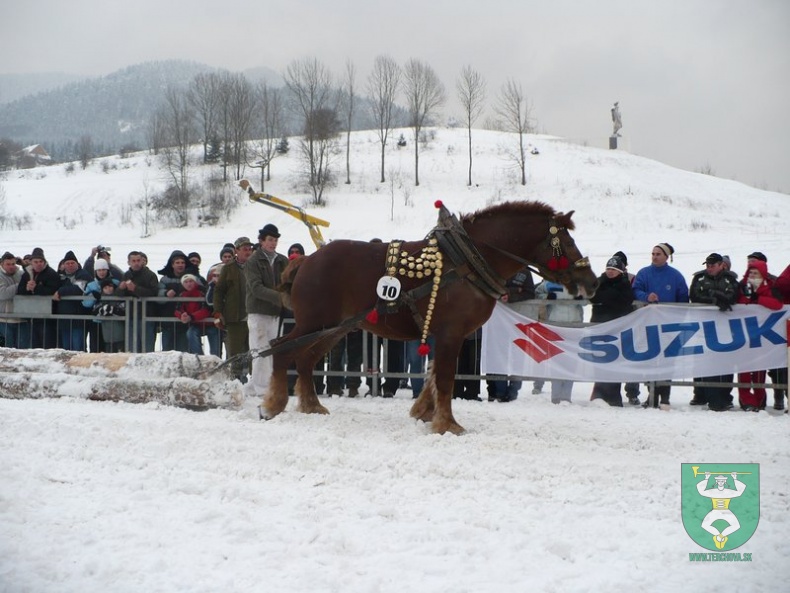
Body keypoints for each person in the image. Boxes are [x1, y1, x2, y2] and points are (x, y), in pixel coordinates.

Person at [632, 242, 689, 409]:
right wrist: (646, 296)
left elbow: (684, 299)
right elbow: (635, 290)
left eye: (658, 254)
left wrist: (677, 318)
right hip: (648, 325)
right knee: (649, 361)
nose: (655, 257)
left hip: (669, 327)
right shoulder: (644, 273)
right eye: (653, 254)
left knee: (667, 362)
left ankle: (664, 397)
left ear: (666, 256)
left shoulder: (676, 276)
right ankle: (651, 396)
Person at [688, 253, 740, 411]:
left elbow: (733, 296)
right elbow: (694, 295)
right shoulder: (699, 278)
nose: (709, 268)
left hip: (726, 328)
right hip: (704, 327)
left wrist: (722, 297)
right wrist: (715, 299)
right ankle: (704, 395)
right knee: (705, 361)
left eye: (712, 265)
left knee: (725, 363)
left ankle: (725, 396)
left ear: (721, 265)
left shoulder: (729, 279)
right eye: (707, 266)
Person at [245, 224, 289, 398]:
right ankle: (263, 389)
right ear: (261, 241)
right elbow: (256, 288)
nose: (273, 243)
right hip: (258, 311)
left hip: (274, 313)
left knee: (269, 351)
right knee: (261, 350)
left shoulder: (281, 260)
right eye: (270, 240)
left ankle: (254, 386)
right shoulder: (253, 261)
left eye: (275, 240)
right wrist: (281, 298)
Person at [735, 260, 783, 411]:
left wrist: (758, 299)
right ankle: (746, 399)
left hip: (763, 336)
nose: (752, 275)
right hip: (744, 333)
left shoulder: (770, 287)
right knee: (743, 369)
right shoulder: (742, 286)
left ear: (762, 274)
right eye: (750, 272)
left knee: (759, 370)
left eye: (755, 273)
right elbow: (737, 302)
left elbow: (778, 304)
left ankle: (759, 399)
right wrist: (749, 299)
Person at [589, 255, 635, 406]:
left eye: (613, 270)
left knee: (615, 363)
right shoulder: (599, 281)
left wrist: (606, 298)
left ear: (620, 272)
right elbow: (593, 297)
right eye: (608, 268)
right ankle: (599, 394)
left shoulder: (624, 283)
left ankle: (614, 396)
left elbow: (625, 301)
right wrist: (609, 297)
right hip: (599, 327)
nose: (610, 272)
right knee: (600, 362)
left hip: (617, 329)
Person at [488, 267, 536, 402]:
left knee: (518, 357)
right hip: (497, 321)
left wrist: (511, 294)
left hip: (518, 321)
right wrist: (514, 290)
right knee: (499, 355)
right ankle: (500, 391)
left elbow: (530, 293)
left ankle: (513, 391)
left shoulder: (525, 272)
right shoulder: (499, 266)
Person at [537, 280, 584, 404]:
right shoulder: (549, 281)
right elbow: (537, 293)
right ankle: (556, 395)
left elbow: (589, 297)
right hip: (555, 323)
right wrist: (547, 297)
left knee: (571, 362)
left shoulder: (579, 282)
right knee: (557, 360)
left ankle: (566, 396)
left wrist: (582, 297)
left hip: (574, 324)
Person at [214, 236, 254, 383]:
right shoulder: (228, 269)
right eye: (244, 249)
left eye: (250, 248)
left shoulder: (257, 266)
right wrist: (217, 312)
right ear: (236, 250)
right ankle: (235, 381)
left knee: (254, 352)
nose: (248, 251)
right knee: (235, 353)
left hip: (255, 316)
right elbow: (218, 291)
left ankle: (255, 381)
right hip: (235, 317)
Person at [16, 247, 60, 349]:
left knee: (47, 345)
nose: (38, 264)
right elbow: (19, 291)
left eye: (41, 261)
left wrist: (36, 288)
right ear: (31, 262)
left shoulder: (51, 273)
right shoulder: (27, 274)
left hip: (47, 316)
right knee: (34, 346)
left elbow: (53, 290)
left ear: (44, 262)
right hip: (31, 315)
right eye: (36, 261)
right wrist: (27, 288)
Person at [116, 250, 159, 352]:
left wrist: (136, 289)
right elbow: (118, 296)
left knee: (147, 349)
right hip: (130, 316)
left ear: (142, 261)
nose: (136, 263)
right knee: (132, 349)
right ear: (129, 262)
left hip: (147, 316)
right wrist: (120, 289)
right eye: (133, 261)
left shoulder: (150, 275)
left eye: (138, 260)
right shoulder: (126, 275)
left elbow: (154, 293)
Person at [53, 250, 92, 351]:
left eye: (72, 263)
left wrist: (60, 291)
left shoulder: (83, 274)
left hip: (78, 319)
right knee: (66, 349)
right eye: (67, 263)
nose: (70, 265)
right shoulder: (60, 277)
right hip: (64, 319)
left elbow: (78, 289)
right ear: (64, 265)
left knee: (77, 348)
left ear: (77, 264)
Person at [157, 250, 194, 352]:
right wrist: (165, 293)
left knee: (183, 352)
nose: (180, 265)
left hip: (185, 322)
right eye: (177, 263)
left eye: (182, 262)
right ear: (172, 265)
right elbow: (158, 295)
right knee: (167, 352)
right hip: (168, 321)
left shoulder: (191, 278)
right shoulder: (165, 279)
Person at [175, 274, 212, 355]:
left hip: (211, 324)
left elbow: (207, 309)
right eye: (186, 282)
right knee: (190, 333)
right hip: (196, 324)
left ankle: (217, 362)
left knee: (215, 351)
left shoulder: (203, 292)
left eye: (191, 281)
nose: (189, 284)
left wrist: (191, 317)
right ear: (183, 284)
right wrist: (182, 315)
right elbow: (177, 309)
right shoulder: (182, 294)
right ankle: (199, 358)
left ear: (195, 282)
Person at [0, 251, 23, 348]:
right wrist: (20, 285)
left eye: (13, 264)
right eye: (8, 264)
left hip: (22, 318)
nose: (11, 266)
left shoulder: (21, 274)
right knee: (8, 351)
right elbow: (3, 294)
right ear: (2, 264)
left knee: (23, 350)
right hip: (5, 319)